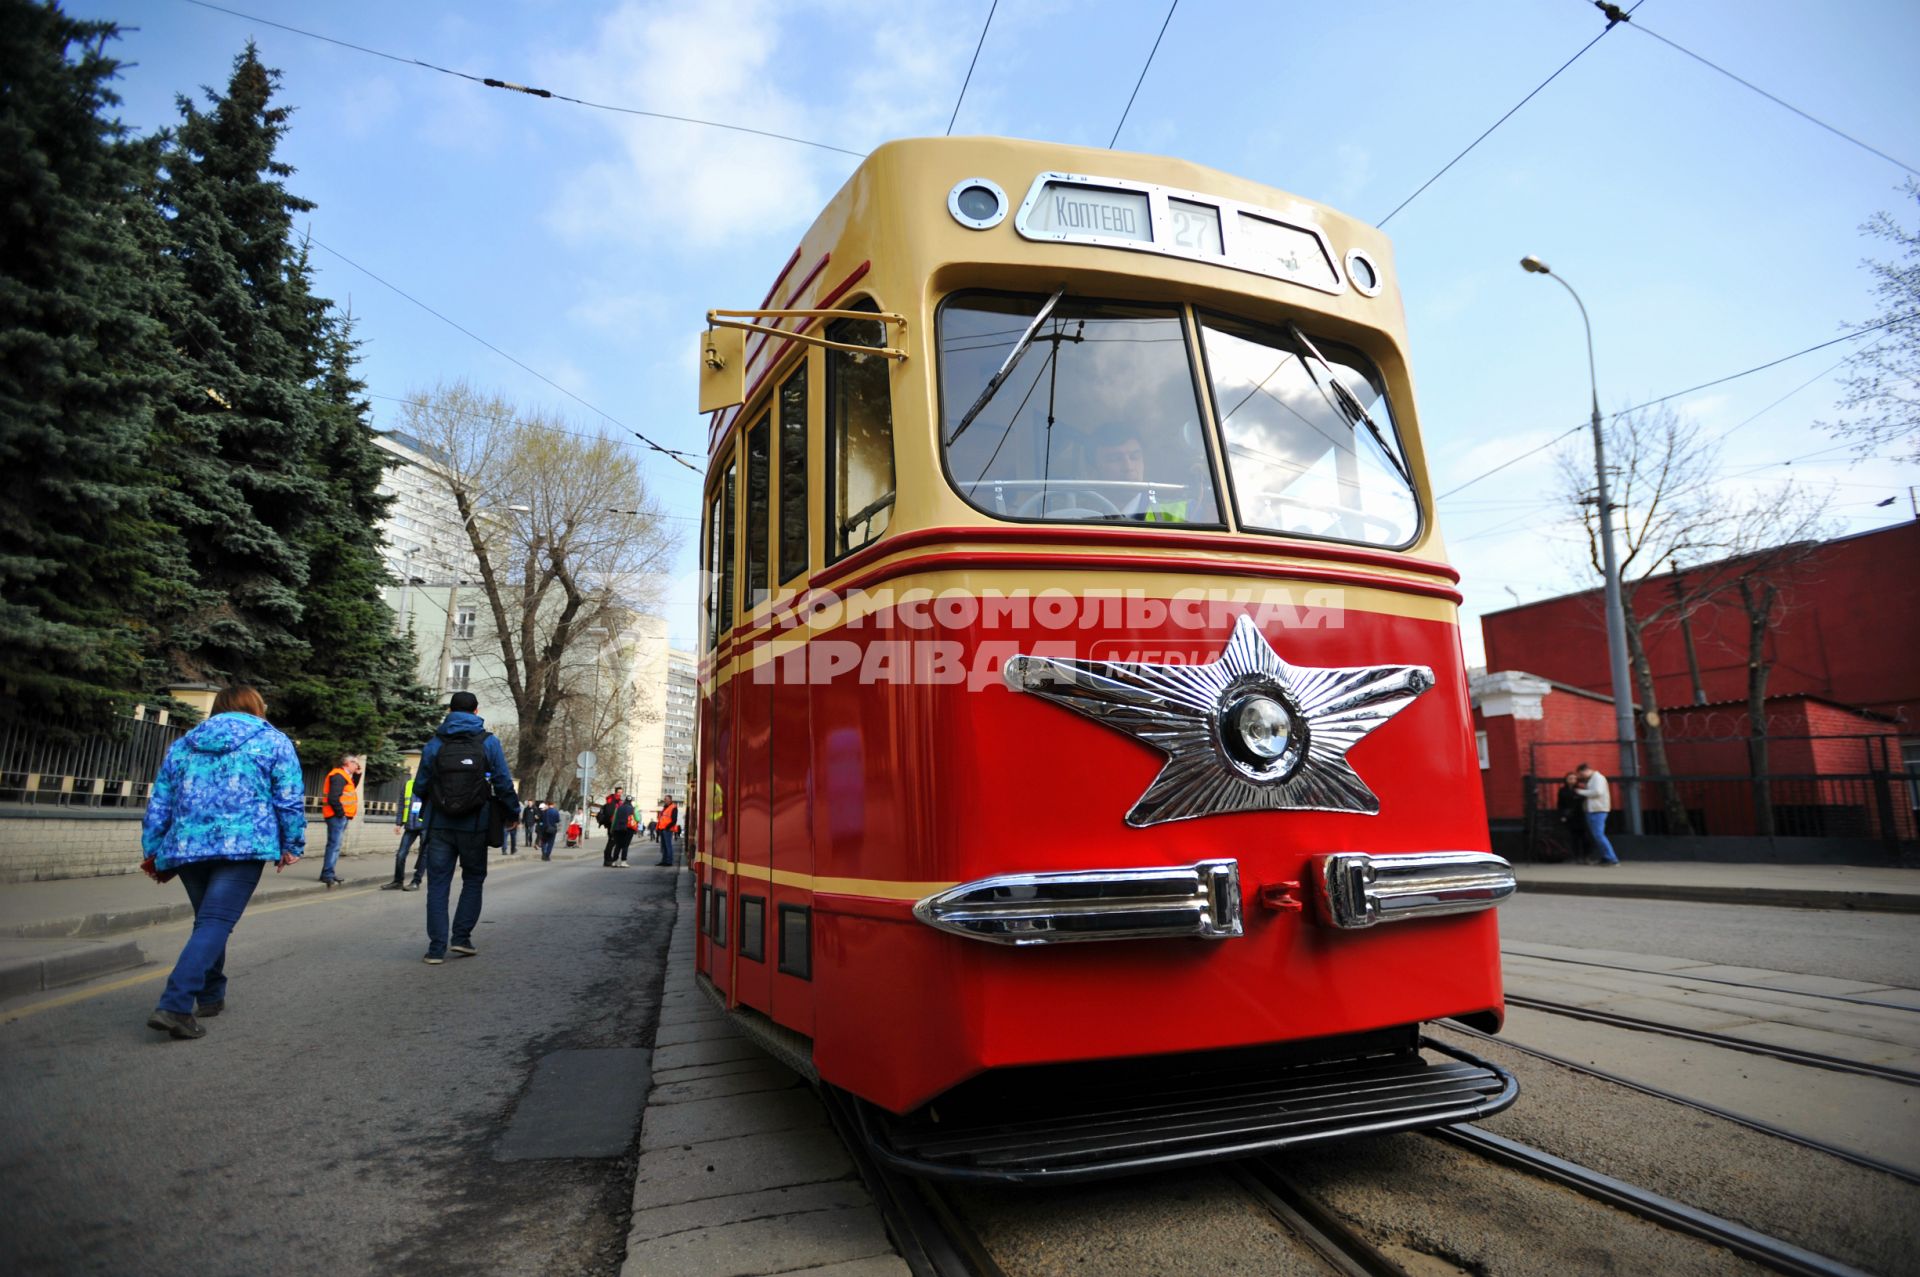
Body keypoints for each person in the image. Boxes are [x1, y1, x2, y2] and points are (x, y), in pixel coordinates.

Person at [139, 685, 305, 1039]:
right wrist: (292, 843)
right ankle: (175, 1004)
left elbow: (160, 802)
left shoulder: (183, 744)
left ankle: (211, 995)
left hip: (187, 846)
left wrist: (153, 848)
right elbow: (288, 799)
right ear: (257, 707)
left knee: (208, 921)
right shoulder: (273, 742)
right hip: (244, 846)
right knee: (215, 921)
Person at [413, 691, 519, 963]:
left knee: (438, 884)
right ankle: (461, 938)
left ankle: (436, 949)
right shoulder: (488, 742)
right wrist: (512, 812)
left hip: (439, 825)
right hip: (475, 824)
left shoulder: (435, 742)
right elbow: (503, 782)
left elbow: (421, 785)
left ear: (449, 710)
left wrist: (427, 810)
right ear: (476, 711)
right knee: (472, 879)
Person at [1091, 424, 1188, 522]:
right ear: (1094, 469)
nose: (1128, 467)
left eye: (1135, 457)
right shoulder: (1078, 514)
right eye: (1115, 459)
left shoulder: (1185, 512)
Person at [318, 753, 363, 886]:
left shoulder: (345, 776)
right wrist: (341, 813)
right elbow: (333, 798)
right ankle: (327, 874)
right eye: (355, 762)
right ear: (347, 764)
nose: (357, 765)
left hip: (338, 816)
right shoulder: (338, 776)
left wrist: (358, 775)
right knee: (334, 846)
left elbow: (351, 789)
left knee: (335, 846)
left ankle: (328, 873)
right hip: (336, 816)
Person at [382, 768, 427, 891]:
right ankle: (398, 881)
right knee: (401, 854)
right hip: (410, 825)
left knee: (424, 854)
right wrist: (398, 823)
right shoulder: (408, 785)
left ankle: (416, 881)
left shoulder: (432, 785)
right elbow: (402, 804)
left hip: (425, 826)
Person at [1573, 762, 1619, 866]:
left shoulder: (1598, 778)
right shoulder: (1593, 779)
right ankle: (1606, 857)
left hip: (1598, 809)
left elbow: (1598, 792)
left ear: (1586, 770)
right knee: (1597, 835)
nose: (1581, 776)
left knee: (1598, 835)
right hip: (1594, 809)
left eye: (1581, 774)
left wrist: (1580, 792)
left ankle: (1612, 858)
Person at [1555, 771, 1591, 862]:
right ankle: (1577, 856)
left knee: (1584, 837)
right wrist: (1562, 815)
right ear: (1566, 780)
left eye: (1574, 778)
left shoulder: (1579, 789)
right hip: (1569, 816)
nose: (1572, 780)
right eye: (1570, 778)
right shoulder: (1562, 790)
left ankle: (1586, 856)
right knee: (1574, 837)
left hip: (1580, 815)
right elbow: (1560, 804)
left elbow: (1583, 800)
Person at [608, 791, 636, 868]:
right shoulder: (633, 809)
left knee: (618, 846)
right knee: (625, 846)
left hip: (617, 829)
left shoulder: (618, 808)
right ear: (631, 801)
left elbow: (614, 819)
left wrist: (612, 829)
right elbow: (637, 818)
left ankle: (614, 862)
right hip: (628, 829)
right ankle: (623, 862)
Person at [600, 787, 625, 868]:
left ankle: (608, 859)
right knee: (612, 841)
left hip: (615, 824)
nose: (620, 794)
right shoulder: (612, 800)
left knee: (612, 841)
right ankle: (607, 859)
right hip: (612, 824)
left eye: (621, 792)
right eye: (619, 792)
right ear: (615, 792)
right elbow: (610, 812)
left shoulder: (619, 801)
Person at [655, 796, 679, 867]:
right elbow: (662, 819)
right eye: (664, 799)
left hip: (667, 830)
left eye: (666, 799)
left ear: (670, 800)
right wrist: (659, 829)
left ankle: (669, 861)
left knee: (668, 846)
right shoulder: (665, 807)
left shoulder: (673, 807)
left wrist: (667, 827)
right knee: (664, 846)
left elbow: (674, 820)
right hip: (662, 829)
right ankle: (664, 861)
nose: (664, 800)